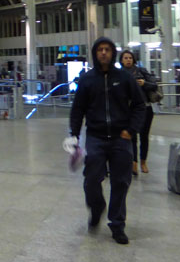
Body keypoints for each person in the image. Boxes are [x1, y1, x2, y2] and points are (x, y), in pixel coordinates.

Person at [67, 37, 145, 245]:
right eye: (100, 49)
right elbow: (77, 110)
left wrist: (131, 129)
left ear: (112, 53)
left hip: (121, 138)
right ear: (95, 53)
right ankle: (96, 207)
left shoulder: (124, 77)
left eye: (107, 49)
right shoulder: (87, 79)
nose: (103, 53)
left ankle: (117, 224)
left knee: (121, 182)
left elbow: (139, 105)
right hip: (96, 137)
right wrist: (74, 134)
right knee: (91, 179)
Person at [119, 50, 158, 175]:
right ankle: (133, 162)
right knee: (132, 137)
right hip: (128, 109)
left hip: (145, 108)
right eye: (125, 58)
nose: (128, 60)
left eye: (130, 57)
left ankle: (143, 162)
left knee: (144, 136)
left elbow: (154, 85)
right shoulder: (118, 74)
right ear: (121, 60)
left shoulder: (141, 71)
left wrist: (144, 83)